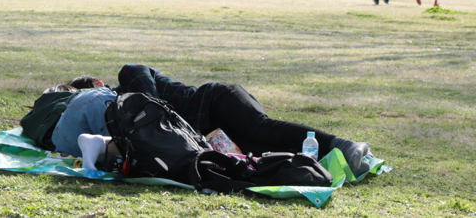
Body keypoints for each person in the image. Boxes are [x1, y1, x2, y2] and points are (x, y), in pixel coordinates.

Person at [44, 65, 375, 179]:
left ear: (99, 86)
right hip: (211, 136)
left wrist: (157, 112)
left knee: (263, 127)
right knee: (263, 153)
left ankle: (345, 145)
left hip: (217, 102)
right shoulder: (121, 119)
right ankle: (329, 163)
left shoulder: (128, 84)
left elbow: (136, 67)